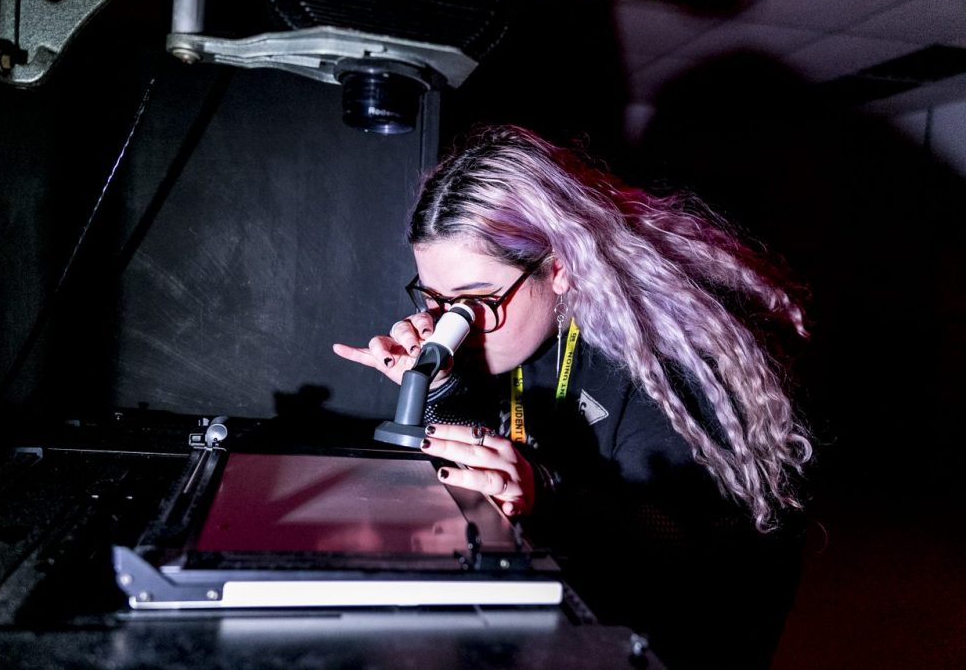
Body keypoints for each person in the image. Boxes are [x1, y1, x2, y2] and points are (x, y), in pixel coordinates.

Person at [332, 125, 812, 669]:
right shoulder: (516, 326)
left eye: (473, 300)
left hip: (688, 623)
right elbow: (490, 462)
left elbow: (680, 549)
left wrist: (546, 494)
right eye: (437, 298)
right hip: (579, 588)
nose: (454, 323)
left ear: (558, 268)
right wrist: (439, 390)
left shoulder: (667, 361)